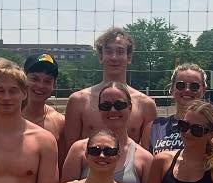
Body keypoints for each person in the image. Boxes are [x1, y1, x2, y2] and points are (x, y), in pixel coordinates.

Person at [60, 27, 157, 158]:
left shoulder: (146, 104)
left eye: (120, 51)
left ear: (129, 57)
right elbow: (70, 154)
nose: (114, 57)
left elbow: (148, 158)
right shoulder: (79, 101)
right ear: (100, 56)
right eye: (108, 51)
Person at [60, 81, 153, 183]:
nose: (113, 110)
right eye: (105, 106)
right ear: (99, 109)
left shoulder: (145, 159)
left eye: (119, 105)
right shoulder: (79, 150)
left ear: (130, 107)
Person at [148, 63, 213, 153]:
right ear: (172, 89)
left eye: (194, 86)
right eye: (181, 85)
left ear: (203, 90)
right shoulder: (154, 127)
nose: (187, 90)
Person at [19, 53, 65, 140]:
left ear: (54, 85)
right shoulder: (0, 115)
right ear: (23, 78)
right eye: (35, 79)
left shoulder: (59, 122)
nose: (40, 86)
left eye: (47, 81)